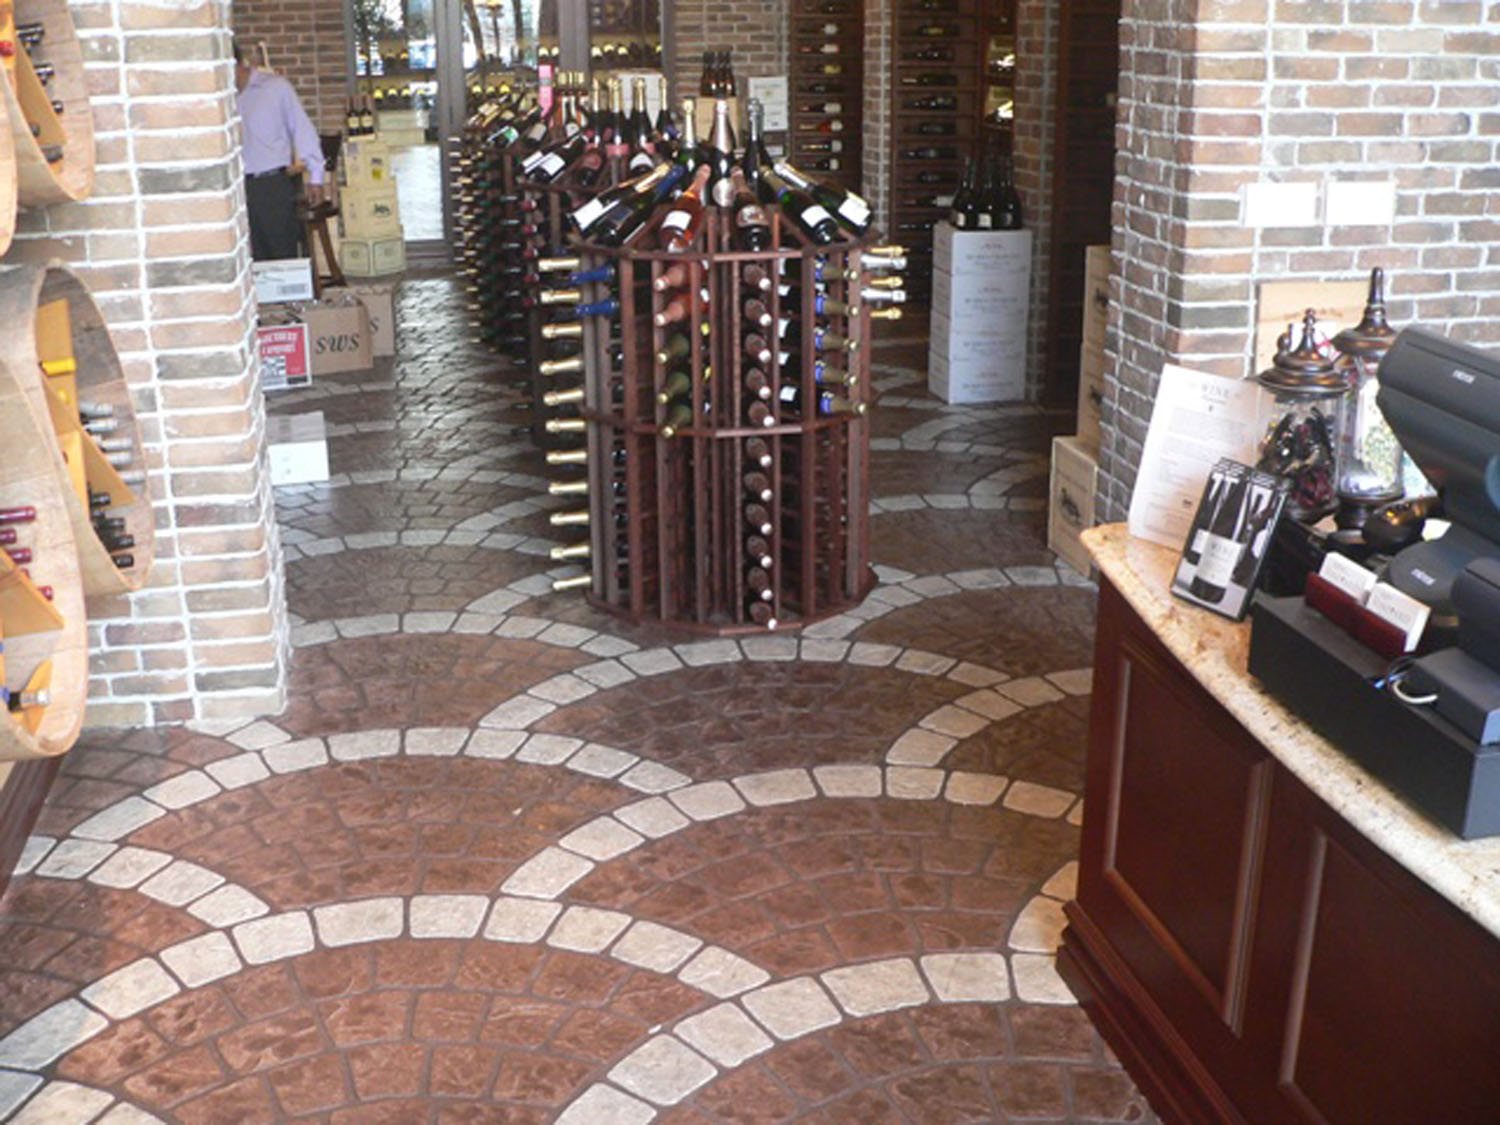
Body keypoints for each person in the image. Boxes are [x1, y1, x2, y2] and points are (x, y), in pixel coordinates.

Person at [233, 39, 326, 260]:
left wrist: (316, 177)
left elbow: (301, 128)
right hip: (236, 188)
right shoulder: (221, 97)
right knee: (247, 259)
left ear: (235, 63)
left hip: (272, 184)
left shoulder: (275, 88)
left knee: (281, 257)